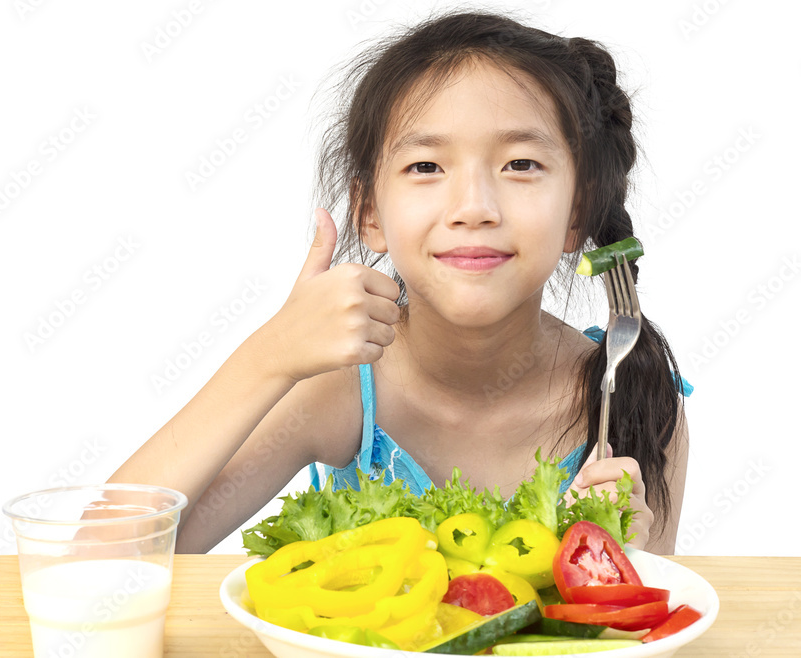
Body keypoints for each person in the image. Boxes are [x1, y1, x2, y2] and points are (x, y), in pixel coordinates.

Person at [109, 10, 690, 555]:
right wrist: (270, 356)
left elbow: (659, 625)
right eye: (426, 167)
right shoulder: (339, 391)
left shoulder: (632, 392)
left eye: (520, 164)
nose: (474, 207)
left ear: (576, 213)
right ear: (370, 214)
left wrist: (633, 563)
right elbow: (103, 556)